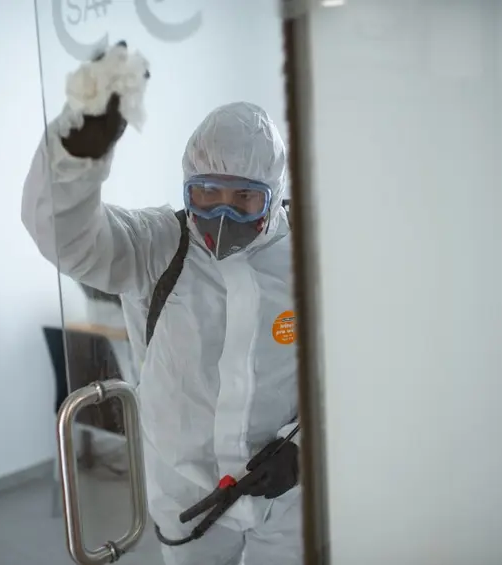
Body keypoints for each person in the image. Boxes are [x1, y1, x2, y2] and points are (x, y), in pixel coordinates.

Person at [21, 45, 301, 565]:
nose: (222, 214)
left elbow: (340, 366)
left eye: (244, 199)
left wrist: (302, 445)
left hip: (283, 495)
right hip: (187, 493)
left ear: (273, 192)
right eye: (207, 193)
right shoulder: (157, 245)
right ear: (187, 186)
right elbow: (66, 237)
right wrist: (77, 153)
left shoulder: (304, 255)